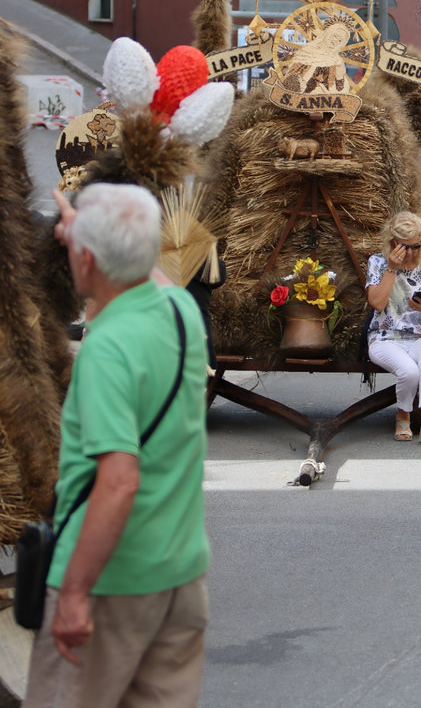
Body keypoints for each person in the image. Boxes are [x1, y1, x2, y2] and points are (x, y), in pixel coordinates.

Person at [25, 183, 210, 708]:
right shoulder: (180, 312)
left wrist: (76, 594)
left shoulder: (106, 347)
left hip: (111, 584)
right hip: (179, 577)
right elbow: (139, 267)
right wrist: (82, 229)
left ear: (84, 256)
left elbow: (119, 479)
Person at [366, 212, 421, 445]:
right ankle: (403, 416)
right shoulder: (377, 262)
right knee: (409, 372)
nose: (410, 252)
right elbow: (377, 303)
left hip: (419, 334)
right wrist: (392, 267)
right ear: (392, 242)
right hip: (384, 337)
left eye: (415, 246)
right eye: (403, 246)